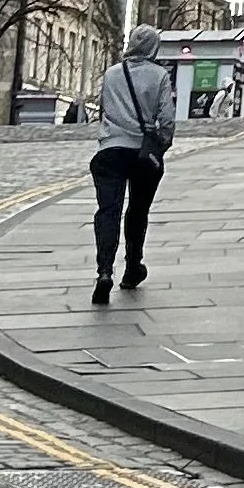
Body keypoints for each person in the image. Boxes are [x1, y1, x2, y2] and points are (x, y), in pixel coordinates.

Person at [88, 25, 175, 306]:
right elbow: (167, 118)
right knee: (138, 211)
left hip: (110, 149)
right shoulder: (159, 75)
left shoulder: (112, 73)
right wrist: (161, 145)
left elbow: (104, 108)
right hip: (142, 153)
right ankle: (132, 268)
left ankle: (103, 271)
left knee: (108, 211)